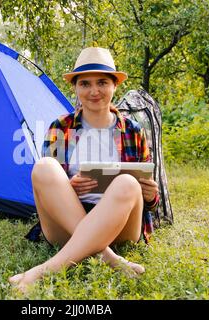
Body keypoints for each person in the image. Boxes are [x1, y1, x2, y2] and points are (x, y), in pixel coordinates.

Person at [9, 47, 159, 292]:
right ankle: (110, 258)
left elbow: (150, 201)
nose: (94, 91)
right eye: (85, 84)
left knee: (128, 183)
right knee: (45, 166)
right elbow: (50, 186)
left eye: (102, 82)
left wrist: (151, 196)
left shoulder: (133, 131)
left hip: (120, 225)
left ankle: (43, 271)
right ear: (76, 89)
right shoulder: (60, 127)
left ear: (114, 86)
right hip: (67, 223)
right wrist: (70, 187)